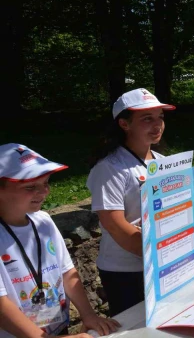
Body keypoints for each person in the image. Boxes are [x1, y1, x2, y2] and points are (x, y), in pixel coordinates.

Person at [1, 144, 120, 337]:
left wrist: (88, 315)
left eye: (46, 182)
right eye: (30, 187)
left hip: (56, 329)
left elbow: (66, 271)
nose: (44, 192)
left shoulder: (43, 221)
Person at [87, 88, 175, 317]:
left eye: (160, 118)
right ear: (124, 124)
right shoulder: (109, 168)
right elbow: (115, 225)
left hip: (162, 263)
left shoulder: (164, 162)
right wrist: (160, 256)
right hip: (125, 272)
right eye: (147, 119)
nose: (157, 125)